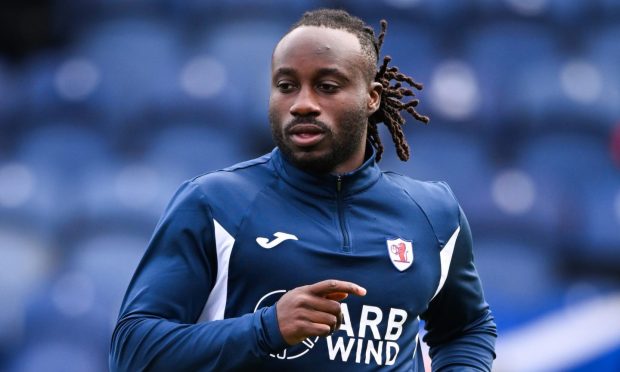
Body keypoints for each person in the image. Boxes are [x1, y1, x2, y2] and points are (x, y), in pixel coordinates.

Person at [110, 8, 497, 371]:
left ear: (371, 97)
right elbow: (133, 350)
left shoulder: (432, 214)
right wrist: (266, 328)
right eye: (286, 86)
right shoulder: (214, 204)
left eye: (327, 86)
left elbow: (467, 328)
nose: (303, 104)